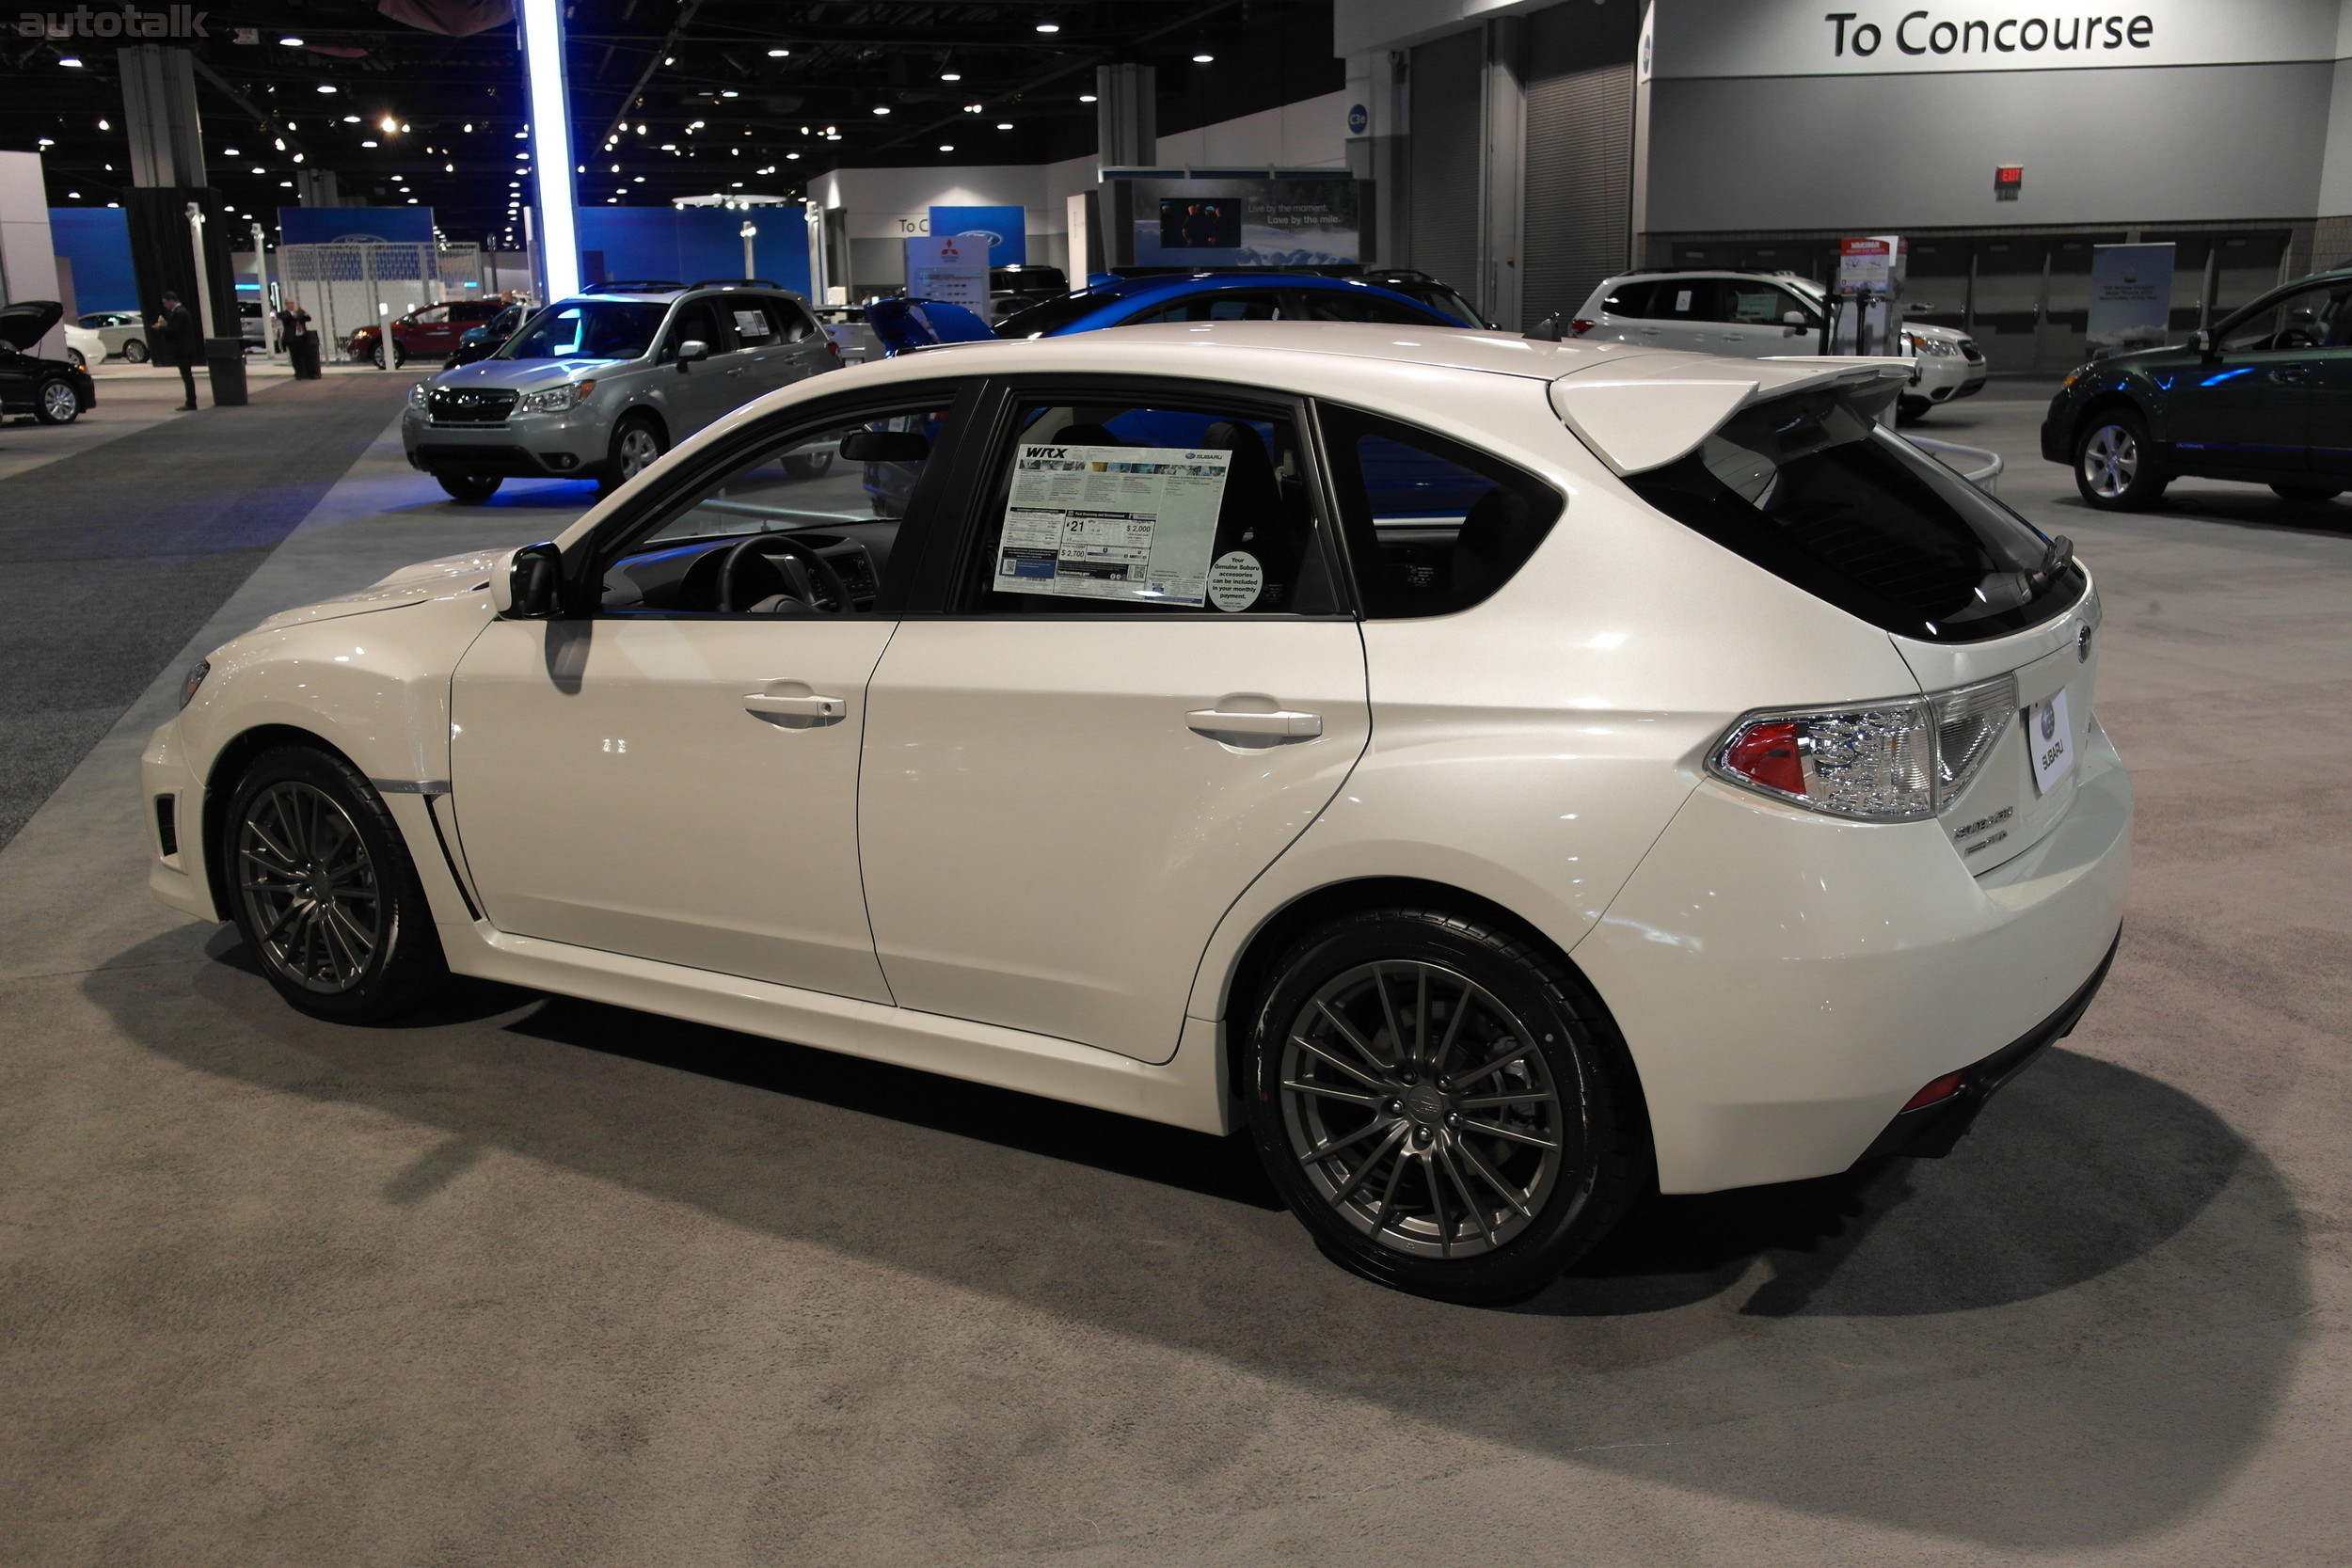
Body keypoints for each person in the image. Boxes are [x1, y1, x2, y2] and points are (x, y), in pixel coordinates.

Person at [152, 291, 201, 409]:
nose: (165, 306)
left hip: (182, 349)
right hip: (184, 349)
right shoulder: (180, 312)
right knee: (187, 376)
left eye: (165, 303)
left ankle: (191, 402)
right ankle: (190, 401)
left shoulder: (179, 313)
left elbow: (174, 331)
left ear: (171, 301)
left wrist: (161, 328)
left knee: (187, 377)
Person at [277, 296, 321, 380]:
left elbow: (308, 318)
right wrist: (296, 314)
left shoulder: (300, 313)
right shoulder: (284, 314)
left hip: (302, 337)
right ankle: (299, 373)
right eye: (290, 303)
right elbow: (287, 318)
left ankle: (309, 373)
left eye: (293, 303)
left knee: (306, 356)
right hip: (292, 339)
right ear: (286, 304)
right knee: (295, 357)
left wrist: (301, 312)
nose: (292, 305)